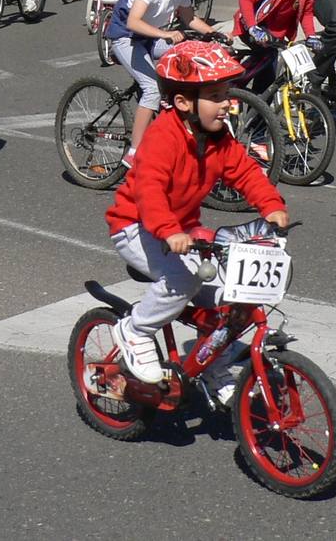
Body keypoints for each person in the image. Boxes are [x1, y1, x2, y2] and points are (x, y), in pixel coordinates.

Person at [105, 38, 289, 400]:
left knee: (226, 298)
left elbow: (247, 173)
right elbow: (149, 192)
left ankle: (213, 370)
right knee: (182, 279)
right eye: (217, 96)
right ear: (183, 102)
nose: (227, 104)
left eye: (227, 95)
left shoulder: (218, 140)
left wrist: (271, 205)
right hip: (136, 225)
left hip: (184, 230)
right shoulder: (163, 137)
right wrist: (170, 231)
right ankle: (136, 330)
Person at [104, 0, 218, 164]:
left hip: (150, 37)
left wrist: (213, 35)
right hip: (127, 37)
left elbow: (189, 18)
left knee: (188, 58)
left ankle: (173, 113)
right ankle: (134, 153)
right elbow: (133, 22)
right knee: (151, 90)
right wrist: (166, 34)